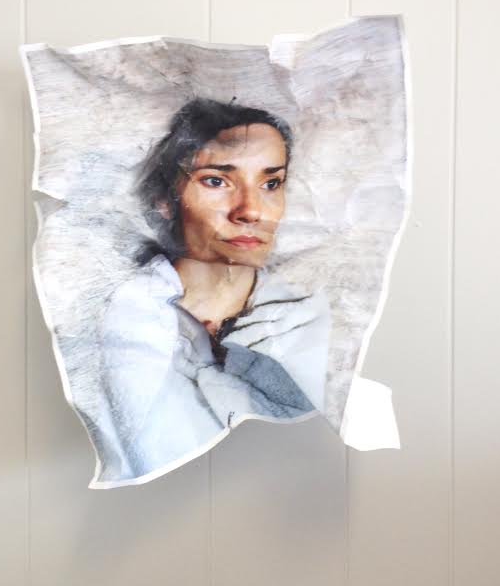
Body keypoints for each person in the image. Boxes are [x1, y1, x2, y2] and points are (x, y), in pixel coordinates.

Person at [96, 97, 331, 480]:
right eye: (217, 181)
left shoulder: (307, 315)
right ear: (165, 200)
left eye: (271, 183)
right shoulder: (126, 316)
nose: (251, 210)